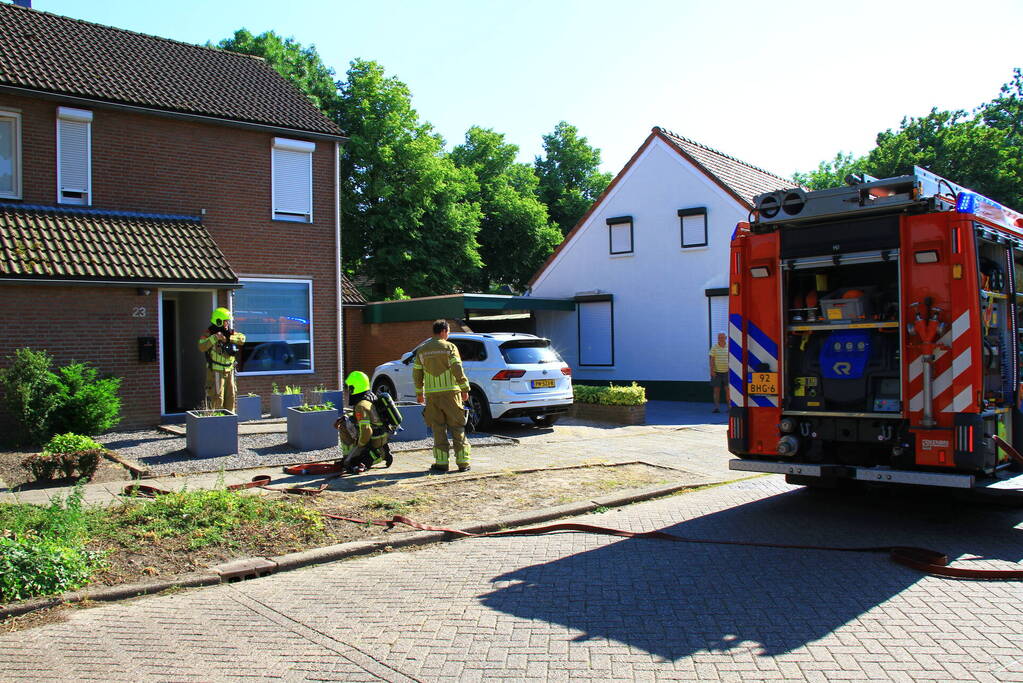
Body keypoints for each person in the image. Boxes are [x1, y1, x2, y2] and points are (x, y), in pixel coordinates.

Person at [414, 320, 471, 472]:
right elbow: (457, 368)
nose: (448, 334)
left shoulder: (422, 350)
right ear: (444, 331)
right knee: (457, 427)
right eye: (449, 331)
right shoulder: (450, 347)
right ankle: (463, 463)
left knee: (438, 429)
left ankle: (441, 463)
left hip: (432, 396)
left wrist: (419, 393)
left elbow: (417, 373)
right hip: (451, 394)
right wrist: (464, 388)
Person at [334, 370, 392, 474]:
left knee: (343, 426)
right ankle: (383, 453)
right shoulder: (371, 397)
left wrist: (358, 447)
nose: (349, 390)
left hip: (371, 443)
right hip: (381, 438)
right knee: (346, 421)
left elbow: (366, 431)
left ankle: (349, 457)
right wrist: (345, 417)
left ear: (354, 388)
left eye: (350, 388)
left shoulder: (360, 406)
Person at [198, 307, 246, 412]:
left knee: (231, 396)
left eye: (228, 321)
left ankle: (230, 419)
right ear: (218, 321)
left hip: (229, 371)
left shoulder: (229, 332)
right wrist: (215, 338)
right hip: (216, 371)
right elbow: (201, 346)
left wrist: (228, 338)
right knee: (217, 397)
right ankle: (217, 421)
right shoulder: (209, 333)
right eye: (225, 321)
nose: (227, 324)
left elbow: (242, 339)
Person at [709, 331, 729, 413]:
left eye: (722, 337)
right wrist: (712, 371)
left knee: (728, 390)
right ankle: (716, 407)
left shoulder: (729, 347)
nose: (720, 339)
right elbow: (712, 360)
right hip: (717, 372)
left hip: (727, 372)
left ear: (726, 338)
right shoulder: (714, 347)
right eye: (719, 337)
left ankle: (729, 407)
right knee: (716, 390)